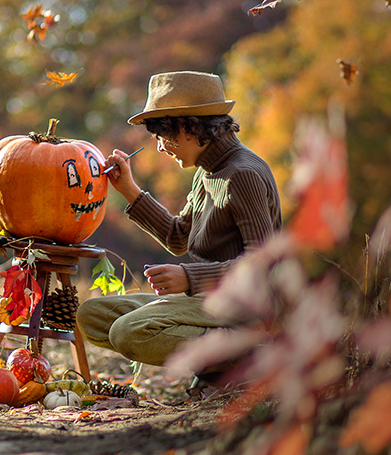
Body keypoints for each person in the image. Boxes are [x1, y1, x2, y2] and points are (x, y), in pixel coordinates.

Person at [77, 70, 282, 398]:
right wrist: (129, 190)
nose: (159, 147)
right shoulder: (207, 172)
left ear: (191, 126)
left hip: (244, 309)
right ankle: (220, 370)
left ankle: (254, 355)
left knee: (129, 332)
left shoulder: (241, 174)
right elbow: (178, 236)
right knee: (91, 316)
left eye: (163, 135)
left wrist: (190, 277)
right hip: (207, 304)